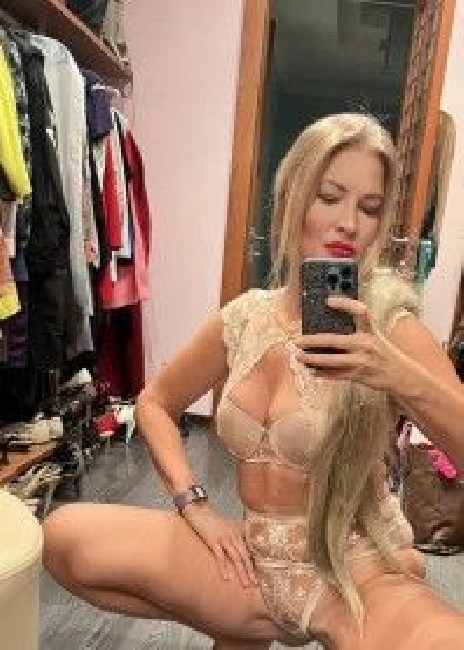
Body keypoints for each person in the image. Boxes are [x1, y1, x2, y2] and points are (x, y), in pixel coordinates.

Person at [42, 113, 464, 649]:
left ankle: (281, 623)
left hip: (357, 569)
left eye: (369, 208)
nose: (349, 223)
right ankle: (244, 621)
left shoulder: (388, 325)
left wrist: (397, 375)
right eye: (330, 197)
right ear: (291, 198)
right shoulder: (246, 318)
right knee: (64, 539)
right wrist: (195, 504)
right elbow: (155, 403)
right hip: (256, 562)